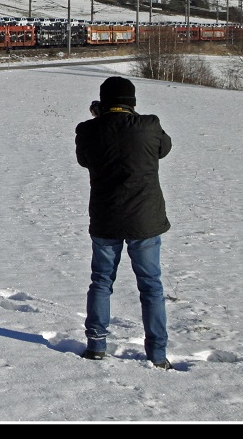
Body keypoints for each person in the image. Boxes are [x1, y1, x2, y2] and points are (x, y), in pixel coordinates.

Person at [74, 76, 174, 369]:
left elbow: (84, 160)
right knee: (151, 286)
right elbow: (163, 148)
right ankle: (157, 354)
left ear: (103, 104)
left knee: (101, 282)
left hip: (106, 218)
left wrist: (100, 120)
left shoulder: (88, 130)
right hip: (145, 219)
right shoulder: (150, 125)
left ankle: (96, 346)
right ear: (132, 103)